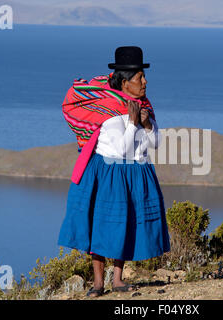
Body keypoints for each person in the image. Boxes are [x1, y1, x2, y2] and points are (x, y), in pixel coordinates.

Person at [57, 46, 171, 297]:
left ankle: (117, 279)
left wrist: (146, 123)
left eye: (143, 76)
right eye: (140, 77)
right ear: (124, 82)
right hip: (110, 174)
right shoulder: (107, 109)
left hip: (136, 172)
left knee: (126, 225)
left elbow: (156, 143)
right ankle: (98, 283)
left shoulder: (144, 107)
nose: (145, 81)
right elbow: (120, 148)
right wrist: (132, 124)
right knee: (101, 227)